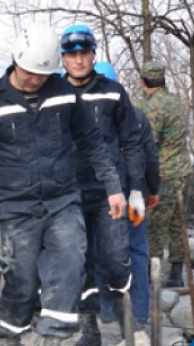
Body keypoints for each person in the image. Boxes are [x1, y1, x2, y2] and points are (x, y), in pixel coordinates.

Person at [0, 23, 126, 346]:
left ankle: (53, 338)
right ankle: (10, 337)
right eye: (29, 73)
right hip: (18, 208)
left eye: (42, 75)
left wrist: (113, 186)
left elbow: (91, 141)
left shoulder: (64, 94)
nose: (36, 80)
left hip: (63, 201)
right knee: (20, 282)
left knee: (72, 262)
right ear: (14, 59)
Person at [61, 25, 143, 346]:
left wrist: (135, 188)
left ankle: (128, 325)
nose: (79, 60)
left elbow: (132, 142)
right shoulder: (55, 96)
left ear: (94, 54)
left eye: (85, 53)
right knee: (78, 263)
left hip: (111, 194)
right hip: (69, 194)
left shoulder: (113, 92)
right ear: (64, 59)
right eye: (72, 54)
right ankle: (90, 328)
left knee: (116, 258)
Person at [94, 61, 160, 346]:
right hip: (133, 198)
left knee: (99, 251)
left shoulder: (82, 116)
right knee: (136, 254)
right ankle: (139, 323)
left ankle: (105, 310)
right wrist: (152, 189)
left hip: (101, 200)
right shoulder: (136, 115)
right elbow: (150, 157)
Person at [133, 61, 192, 288]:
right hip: (184, 172)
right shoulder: (175, 100)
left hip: (165, 175)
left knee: (155, 225)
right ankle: (177, 274)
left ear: (143, 81)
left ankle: (151, 276)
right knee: (179, 224)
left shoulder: (154, 106)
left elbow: (150, 142)